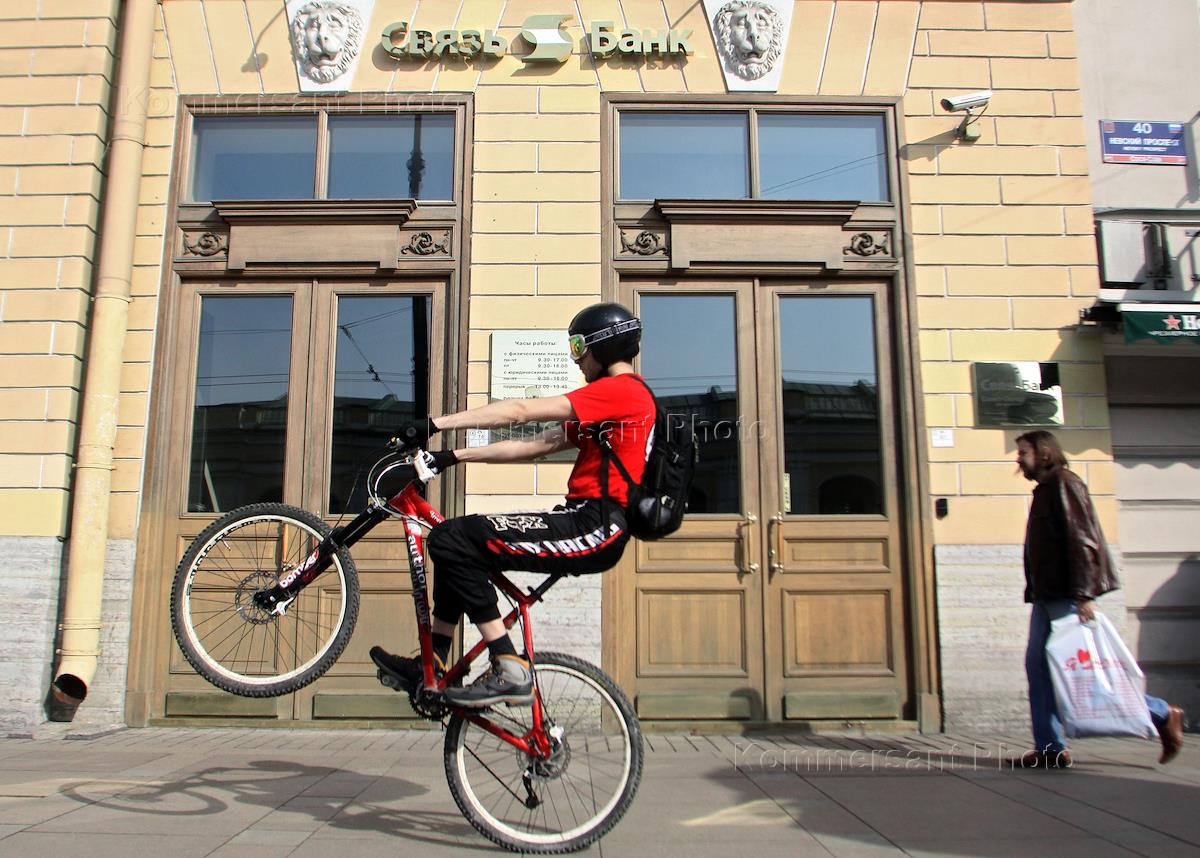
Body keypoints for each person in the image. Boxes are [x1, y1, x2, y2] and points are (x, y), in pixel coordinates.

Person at [369, 302, 655, 708]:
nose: (575, 358)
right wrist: (454, 456)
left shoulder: (621, 391)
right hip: (582, 520)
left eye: (578, 346)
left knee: (451, 539)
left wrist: (435, 424)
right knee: (454, 539)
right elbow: (534, 445)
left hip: (595, 526)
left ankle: (508, 665)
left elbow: (519, 412)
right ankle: (435, 661)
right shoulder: (611, 403)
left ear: (602, 345)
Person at [1015, 429, 1185, 768]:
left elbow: (1084, 541)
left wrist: (1084, 594)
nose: (1019, 460)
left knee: (1087, 672)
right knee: (1040, 670)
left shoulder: (1065, 484)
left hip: (1067, 596)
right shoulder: (1047, 488)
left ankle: (1162, 713)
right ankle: (1050, 748)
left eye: (1023, 452)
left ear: (1043, 453)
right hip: (1048, 596)